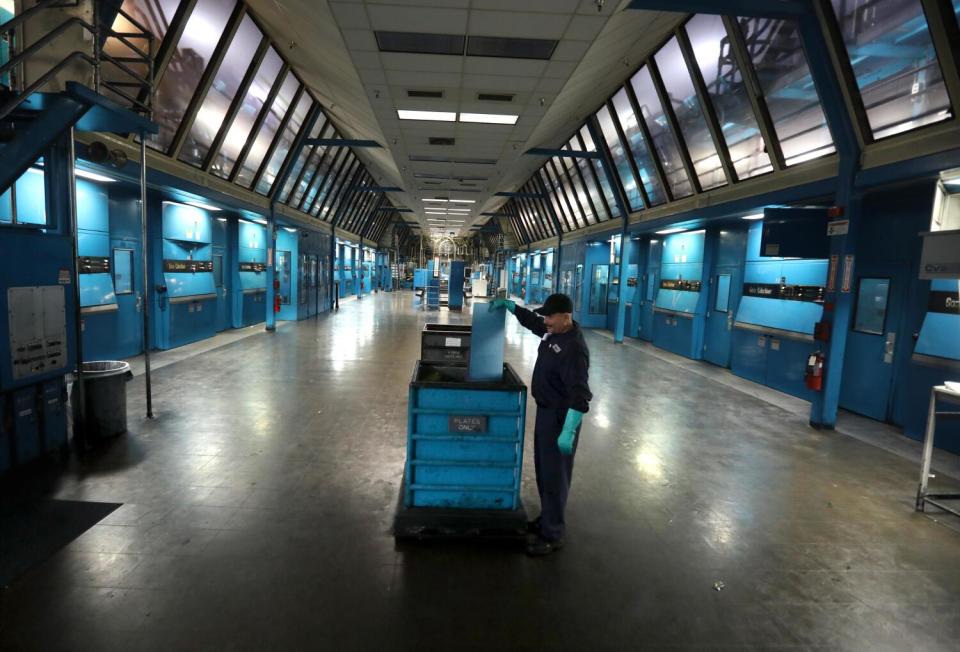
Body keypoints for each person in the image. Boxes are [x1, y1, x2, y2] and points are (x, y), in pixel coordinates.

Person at [489, 293, 592, 556]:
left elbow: (580, 395)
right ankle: (547, 517)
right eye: (545, 315)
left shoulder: (574, 349)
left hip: (561, 418)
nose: (545, 320)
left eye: (550, 316)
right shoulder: (553, 332)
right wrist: (513, 308)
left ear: (565, 317)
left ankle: (553, 533)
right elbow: (534, 322)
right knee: (544, 470)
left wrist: (568, 429)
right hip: (546, 413)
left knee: (556, 476)